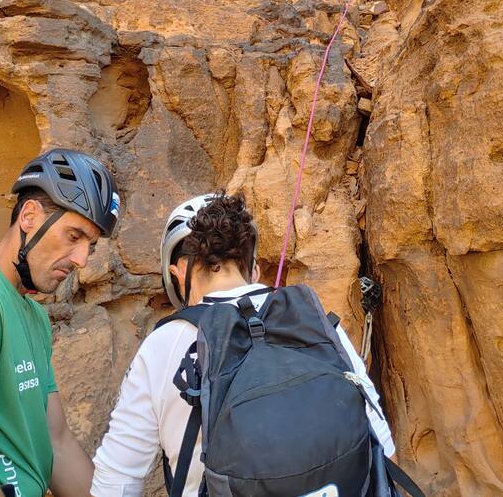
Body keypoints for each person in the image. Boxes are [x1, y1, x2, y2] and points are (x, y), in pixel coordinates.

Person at [91, 192, 395, 497]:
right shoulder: (312, 322)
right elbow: (381, 447)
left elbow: (116, 480)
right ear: (254, 269)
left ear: (178, 272)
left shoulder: (163, 345)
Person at [0, 148, 121, 497]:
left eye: (90, 246)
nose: (82, 259)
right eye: (74, 236)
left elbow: (56, 443)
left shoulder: (32, 315)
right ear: (29, 217)